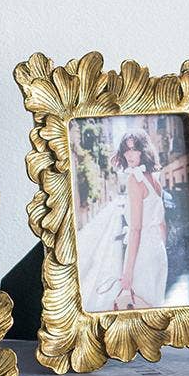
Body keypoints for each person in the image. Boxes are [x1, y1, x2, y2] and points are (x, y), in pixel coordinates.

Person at [76, 131, 169, 311]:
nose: (129, 155)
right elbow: (162, 224)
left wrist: (128, 272)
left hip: (142, 255)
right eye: (126, 150)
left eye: (134, 149)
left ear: (143, 150)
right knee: (155, 308)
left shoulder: (135, 180)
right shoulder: (155, 180)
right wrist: (159, 250)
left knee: (138, 310)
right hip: (158, 253)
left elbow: (135, 230)